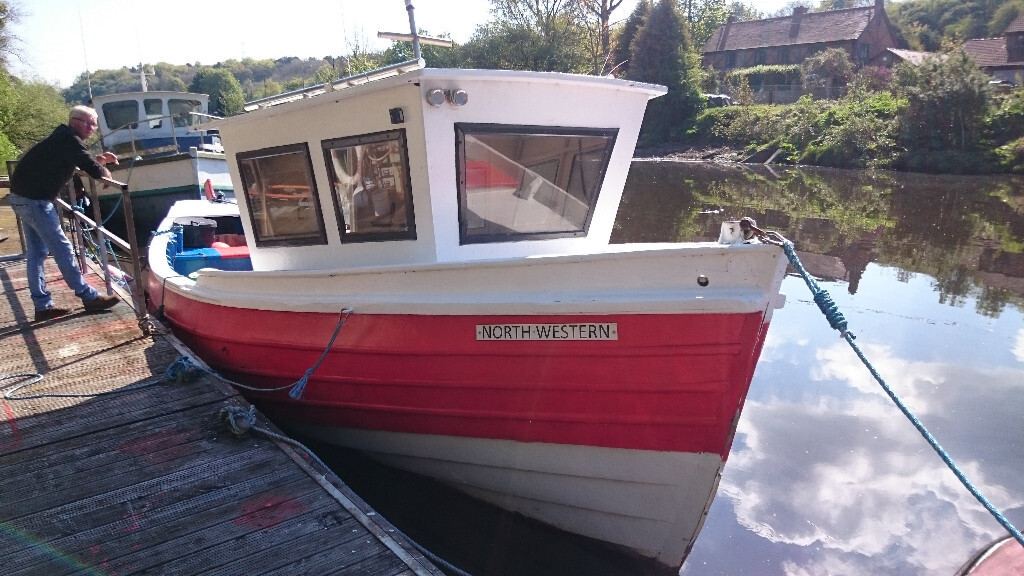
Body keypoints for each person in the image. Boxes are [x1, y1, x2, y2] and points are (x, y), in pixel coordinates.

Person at [9, 105, 121, 321]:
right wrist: (104, 169)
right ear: (73, 121)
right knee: (62, 249)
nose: (91, 128)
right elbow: (94, 171)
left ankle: (42, 306)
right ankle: (89, 298)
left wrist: (98, 160)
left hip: (24, 198)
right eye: (86, 122)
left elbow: (80, 161)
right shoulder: (68, 139)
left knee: (37, 253)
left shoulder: (64, 138)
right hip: (35, 202)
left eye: (94, 124)